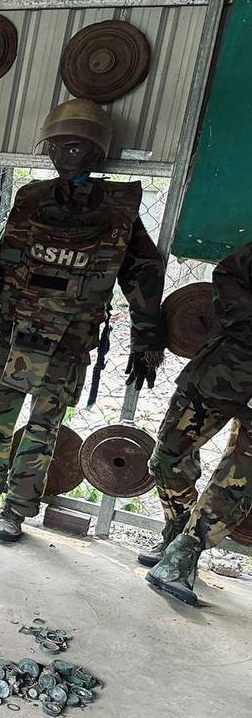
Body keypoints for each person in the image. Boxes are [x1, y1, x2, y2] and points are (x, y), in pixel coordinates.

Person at [0, 99, 166, 544]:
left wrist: (147, 337)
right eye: (60, 145)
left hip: (68, 340)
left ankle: (17, 510)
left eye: (79, 147)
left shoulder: (117, 210)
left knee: (42, 430)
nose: (67, 155)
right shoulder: (32, 199)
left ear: (98, 152)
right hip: (15, 331)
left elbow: (141, 275)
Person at [141, 242, 252, 605]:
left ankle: (185, 552)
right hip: (226, 370)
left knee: (239, 480)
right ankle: (176, 529)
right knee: (167, 456)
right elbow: (229, 273)